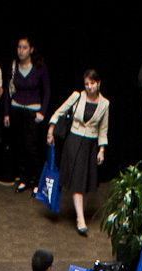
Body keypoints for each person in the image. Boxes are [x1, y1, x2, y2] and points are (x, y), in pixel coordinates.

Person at [50, 70, 110, 236]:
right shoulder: (77, 96)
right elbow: (60, 111)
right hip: (74, 141)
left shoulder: (105, 104)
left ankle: (80, 213)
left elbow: (103, 129)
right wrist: (51, 128)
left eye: (92, 83)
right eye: (86, 84)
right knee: (77, 180)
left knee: (88, 181)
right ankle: (80, 219)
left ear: (98, 83)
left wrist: (102, 149)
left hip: (91, 144)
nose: (89, 87)